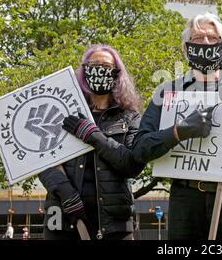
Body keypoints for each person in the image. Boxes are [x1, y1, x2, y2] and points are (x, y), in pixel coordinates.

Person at [131, 12, 222, 239]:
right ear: (186, 48)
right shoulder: (167, 92)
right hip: (187, 200)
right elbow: (140, 148)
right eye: (198, 38)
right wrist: (178, 131)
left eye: (212, 37)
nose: (206, 42)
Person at [38, 44, 144, 240]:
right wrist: (65, 193)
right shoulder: (62, 110)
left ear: (116, 74)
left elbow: (131, 164)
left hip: (114, 224)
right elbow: (41, 157)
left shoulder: (130, 117)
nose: (99, 69)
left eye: (106, 65)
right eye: (94, 64)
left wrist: (91, 134)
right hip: (63, 217)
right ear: (84, 70)